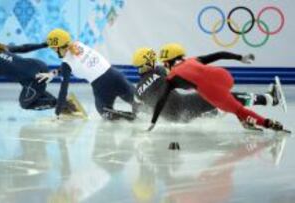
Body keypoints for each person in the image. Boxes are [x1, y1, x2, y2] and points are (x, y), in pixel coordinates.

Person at [148, 43, 288, 132]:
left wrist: (153, 122)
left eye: (165, 63)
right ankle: (268, 100)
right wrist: (241, 58)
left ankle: (267, 119)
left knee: (238, 109)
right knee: (230, 99)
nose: (165, 66)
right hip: (224, 76)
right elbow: (219, 55)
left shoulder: (170, 78)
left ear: (168, 62)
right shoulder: (193, 60)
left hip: (213, 95)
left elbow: (161, 100)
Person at [0, 31, 77, 120]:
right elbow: (22, 48)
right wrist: (43, 45)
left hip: (32, 78)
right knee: (34, 93)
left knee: (25, 104)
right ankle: (65, 105)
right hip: (38, 65)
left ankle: (63, 104)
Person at [46, 28, 137, 120]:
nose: (53, 51)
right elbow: (71, 63)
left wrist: (57, 113)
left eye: (53, 49)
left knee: (104, 112)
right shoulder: (78, 44)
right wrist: (55, 72)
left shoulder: (66, 64)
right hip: (115, 75)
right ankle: (141, 116)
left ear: (57, 48)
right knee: (140, 103)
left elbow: (63, 91)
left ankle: (132, 118)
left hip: (102, 87)